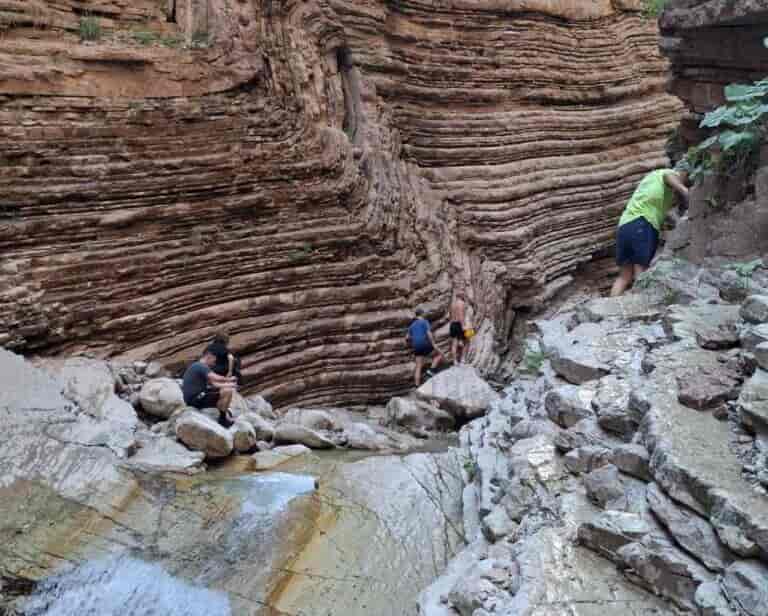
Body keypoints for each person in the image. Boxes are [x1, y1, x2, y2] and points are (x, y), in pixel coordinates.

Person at [610, 166, 690, 297]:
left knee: (624, 276)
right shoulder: (667, 173)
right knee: (640, 271)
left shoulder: (650, 180)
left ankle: (608, 312)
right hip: (642, 222)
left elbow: (665, 214)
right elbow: (669, 176)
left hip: (624, 225)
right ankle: (639, 307)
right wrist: (684, 191)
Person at [181, 348, 238, 427]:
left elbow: (214, 384)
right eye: (214, 361)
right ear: (209, 356)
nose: (214, 364)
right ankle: (223, 420)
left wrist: (229, 385)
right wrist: (229, 379)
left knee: (225, 389)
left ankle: (221, 411)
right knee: (227, 391)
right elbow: (215, 378)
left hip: (195, 398)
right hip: (196, 399)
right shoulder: (201, 366)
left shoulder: (196, 366)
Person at [406, 308, 446, 387]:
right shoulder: (424, 322)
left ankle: (417, 386)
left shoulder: (412, 325)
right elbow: (429, 333)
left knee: (418, 366)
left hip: (416, 346)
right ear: (422, 314)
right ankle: (431, 370)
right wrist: (433, 344)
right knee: (439, 354)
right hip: (424, 343)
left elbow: (407, 338)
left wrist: (413, 342)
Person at [449, 291, 468, 364]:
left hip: (452, 324)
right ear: (461, 296)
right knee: (467, 341)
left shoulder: (452, 304)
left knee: (454, 343)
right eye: (463, 295)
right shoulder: (461, 303)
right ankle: (463, 359)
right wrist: (463, 325)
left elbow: (450, 316)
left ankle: (455, 361)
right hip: (459, 324)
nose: (464, 296)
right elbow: (461, 315)